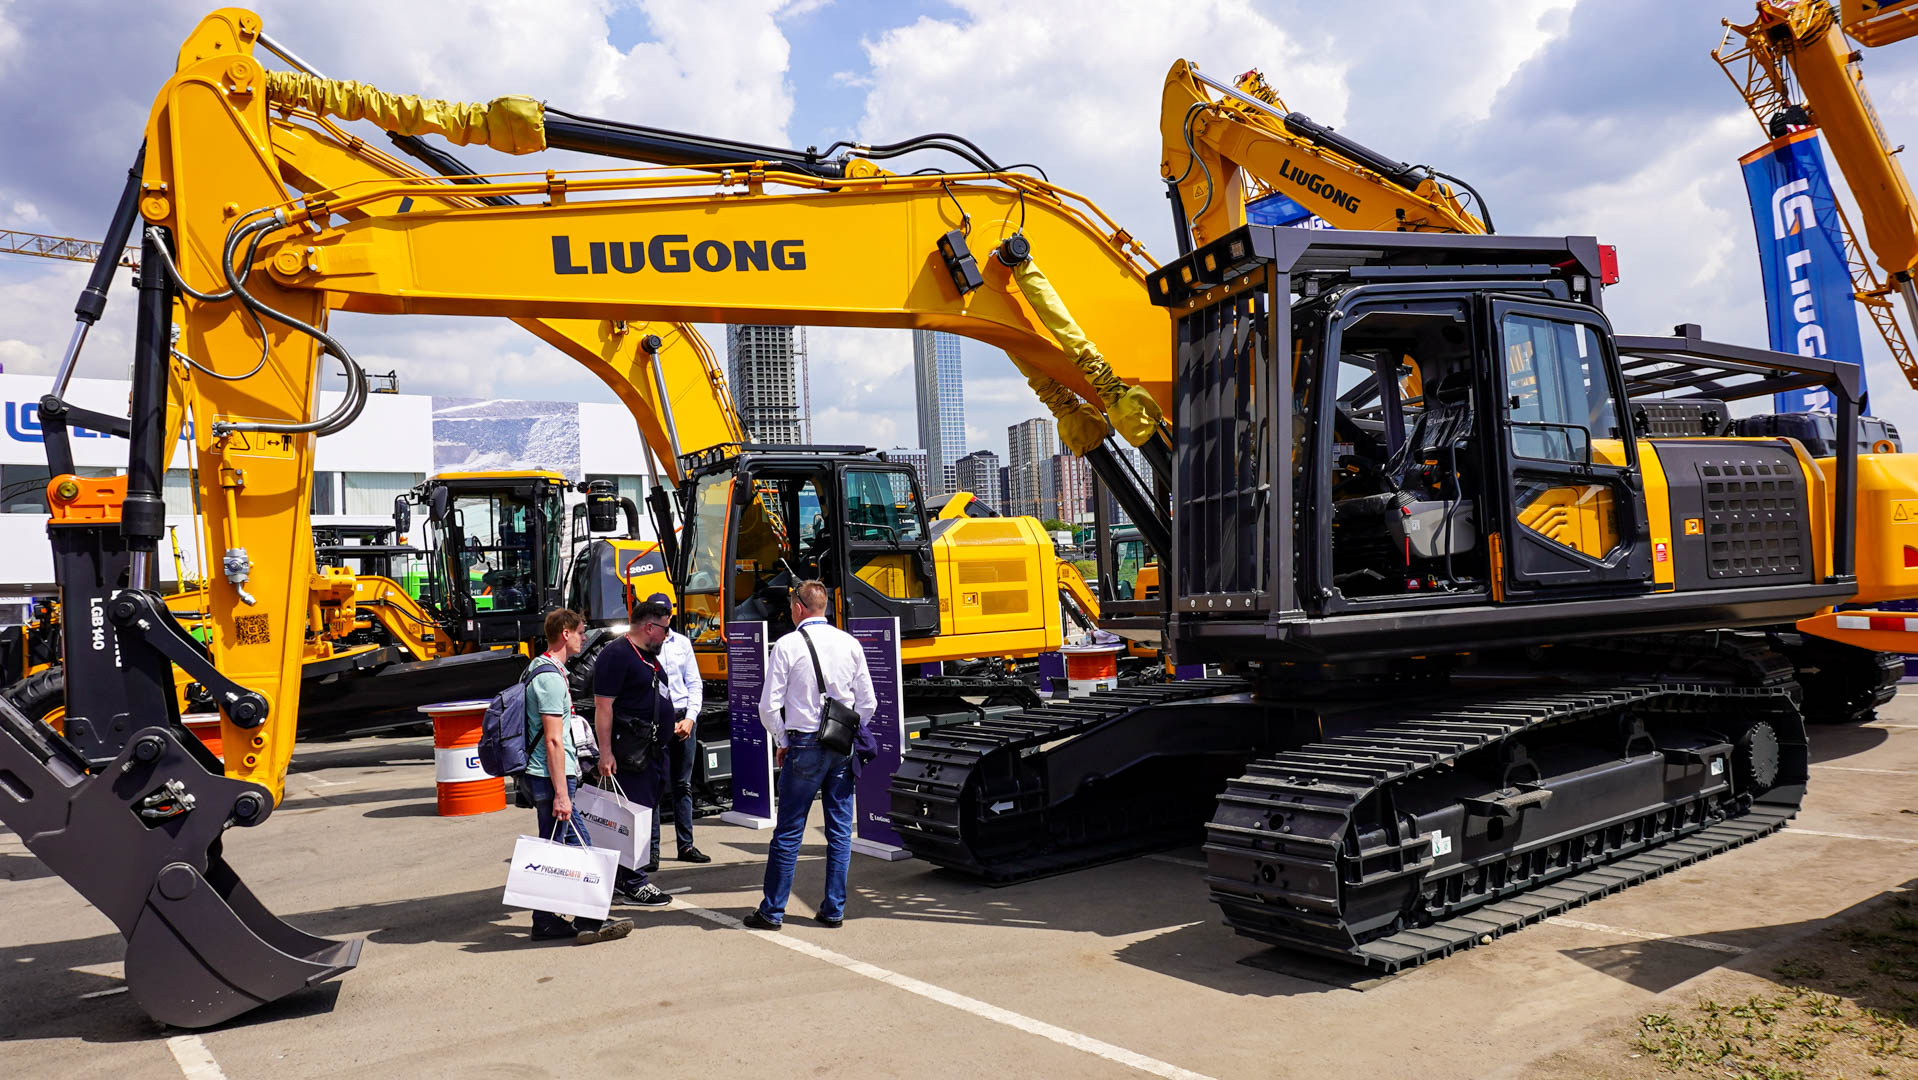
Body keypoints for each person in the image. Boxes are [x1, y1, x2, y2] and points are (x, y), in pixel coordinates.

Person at [743, 580, 875, 931]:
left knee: (789, 832)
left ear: (799, 608)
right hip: (841, 746)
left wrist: (782, 739)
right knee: (840, 831)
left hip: (803, 744)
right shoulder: (849, 643)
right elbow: (868, 702)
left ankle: (772, 911)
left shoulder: (787, 645)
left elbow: (768, 706)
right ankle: (833, 909)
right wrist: (849, 729)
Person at [524, 607, 634, 945]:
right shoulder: (549, 678)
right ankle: (590, 920)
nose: (584, 638)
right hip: (552, 778)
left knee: (554, 850)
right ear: (565, 633)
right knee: (581, 848)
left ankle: (545, 921)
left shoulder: (544, 670)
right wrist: (562, 794)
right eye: (581, 632)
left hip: (550, 776)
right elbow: (554, 740)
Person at [592, 598, 675, 908]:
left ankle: (625, 877)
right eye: (665, 630)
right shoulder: (617, 655)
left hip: (651, 752)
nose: (667, 636)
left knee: (642, 816)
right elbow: (603, 707)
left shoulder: (647, 656)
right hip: (630, 753)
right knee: (631, 819)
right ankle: (633, 882)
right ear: (649, 627)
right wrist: (605, 753)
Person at [643, 592, 711, 866]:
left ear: (670, 615)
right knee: (655, 786)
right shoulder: (642, 644)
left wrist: (690, 718)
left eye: (663, 613)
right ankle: (651, 852)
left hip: (683, 718)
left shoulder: (682, 643)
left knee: (683, 784)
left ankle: (686, 845)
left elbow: (694, 683)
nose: (660, 618)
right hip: (656, 720)